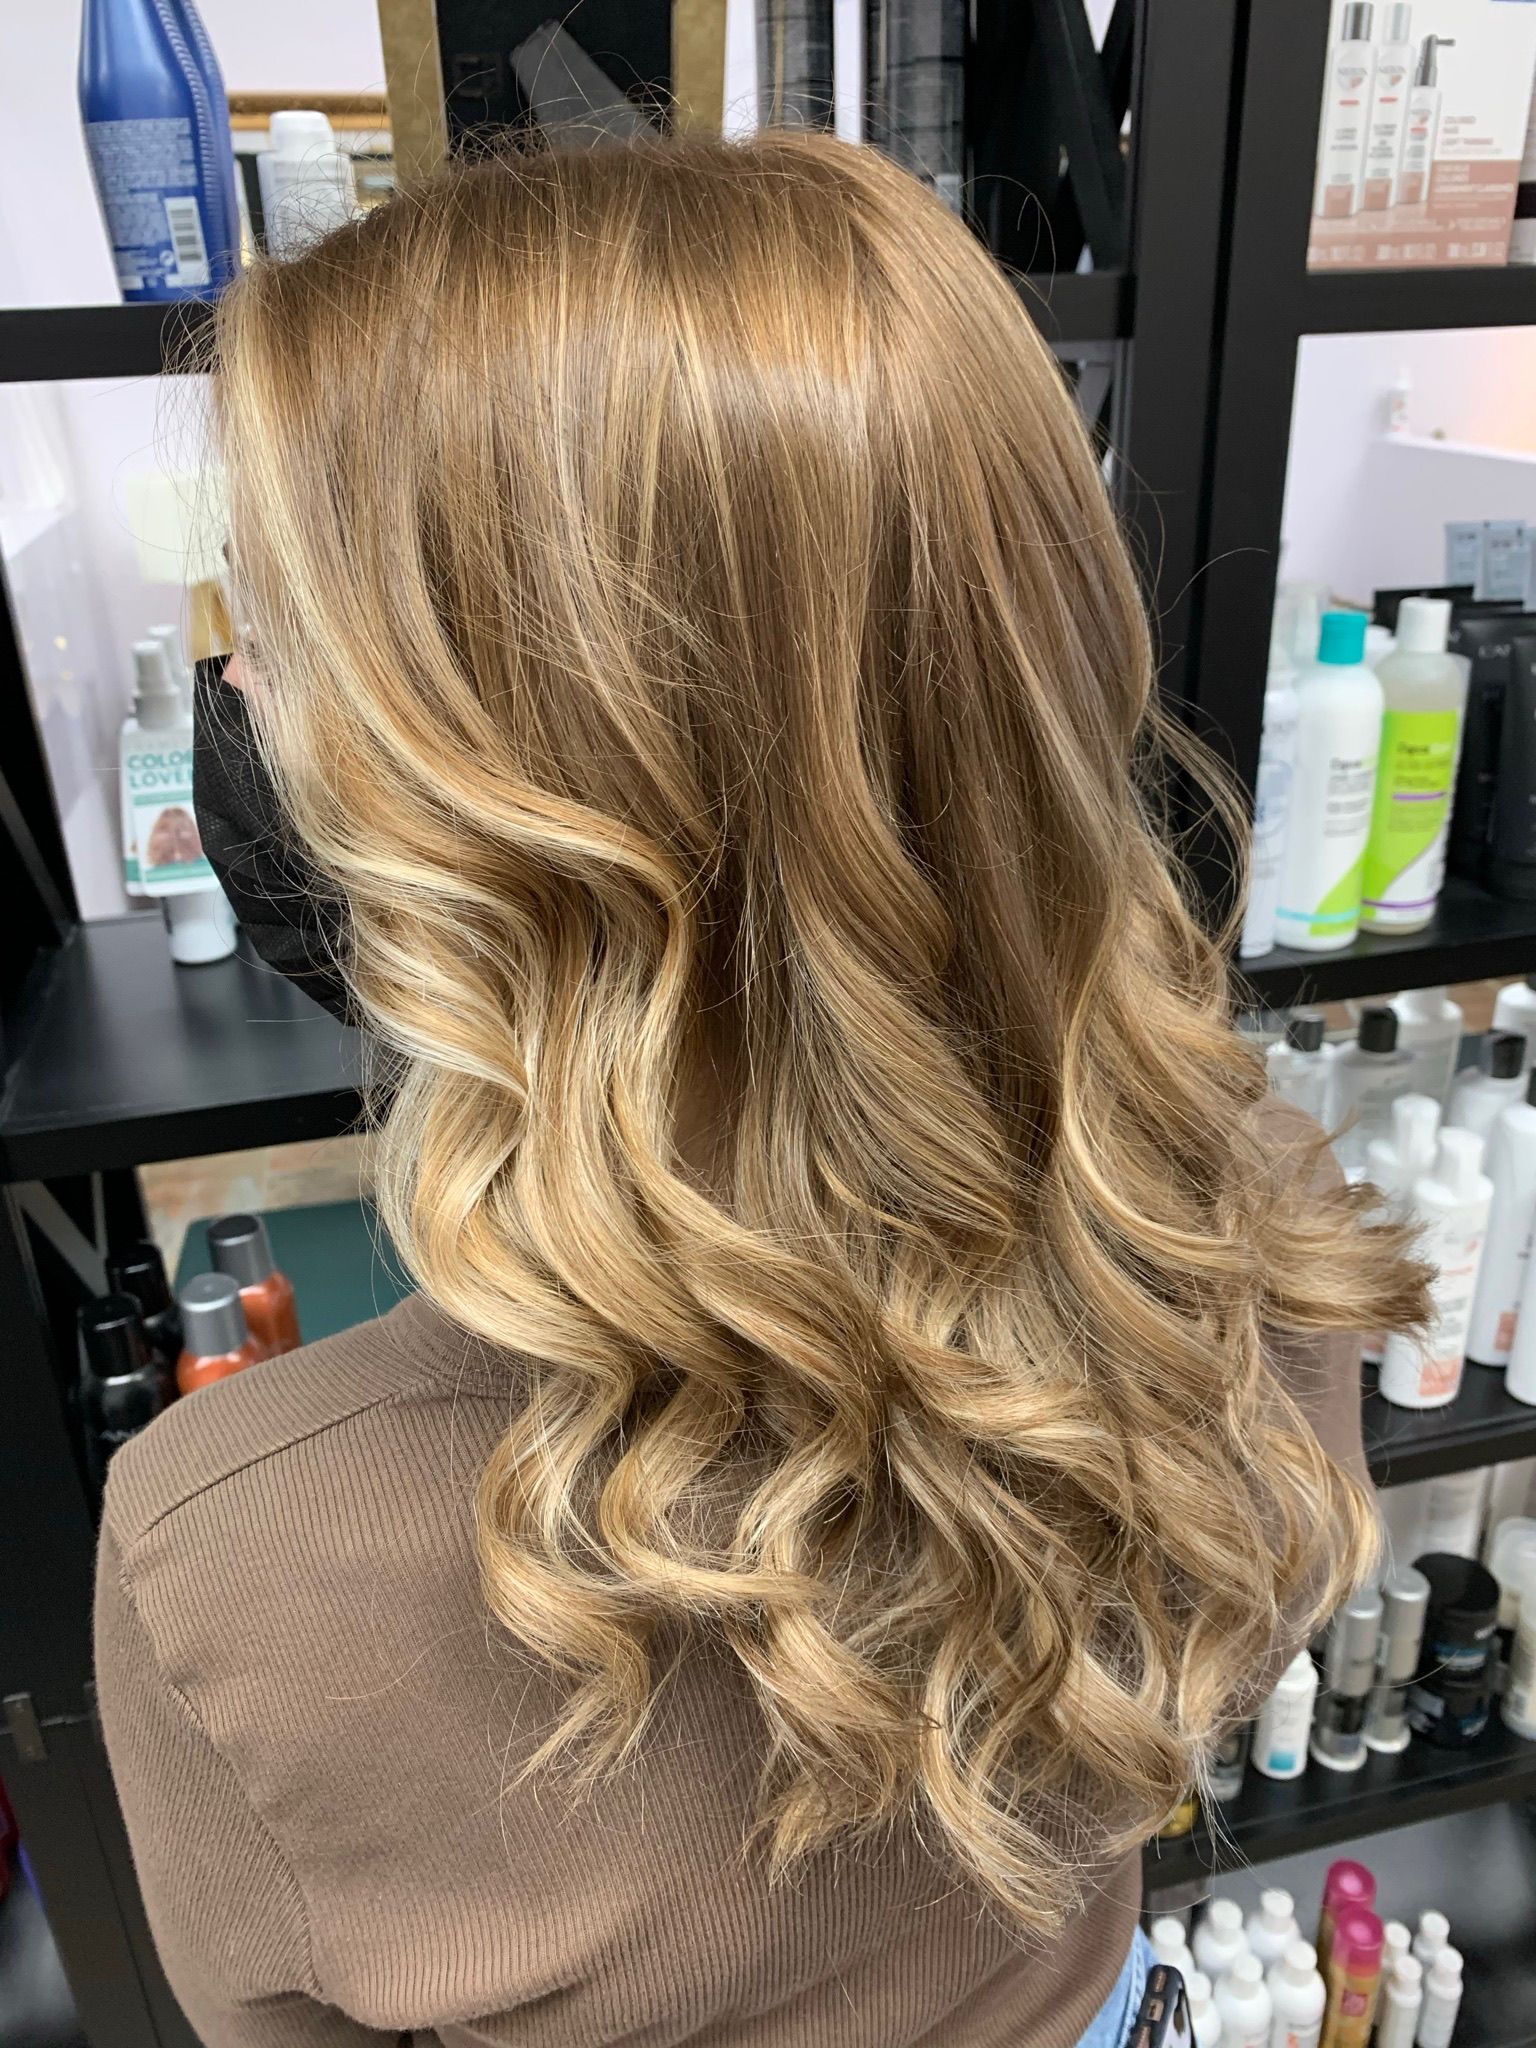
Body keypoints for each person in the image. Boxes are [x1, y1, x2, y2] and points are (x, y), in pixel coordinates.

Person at [96, 135, 1423, 2048]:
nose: (254, 718)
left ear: (468, 811)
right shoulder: (1250, 1225)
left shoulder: (235, 1557)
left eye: (285, 655)